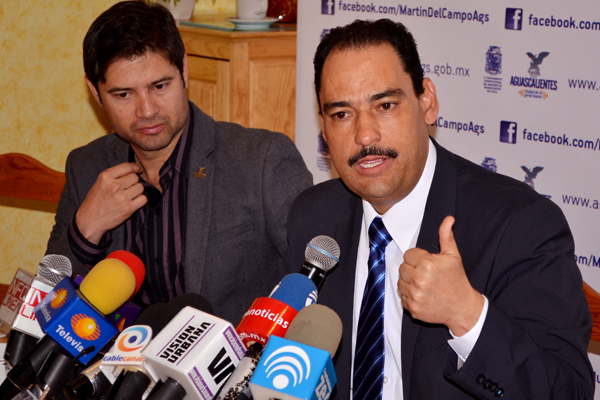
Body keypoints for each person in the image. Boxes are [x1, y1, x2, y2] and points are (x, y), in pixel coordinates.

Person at [286, 19, 593, 399]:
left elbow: (568, 392)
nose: (365, 135)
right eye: (341, 114)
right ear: (323, 127)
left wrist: (467, 315)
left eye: (385, 105)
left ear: (427, 103)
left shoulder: (519, 224)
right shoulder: (313, 216)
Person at [46, 1, 312, 325]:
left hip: (235, 356)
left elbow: (316, 284)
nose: (147, 111)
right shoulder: (86, 167)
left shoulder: (261, 161)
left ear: (184, 71)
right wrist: (85, 230)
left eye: (159, 86)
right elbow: (48, 304)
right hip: (120, 355)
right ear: (95, 92)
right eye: (124, 95)